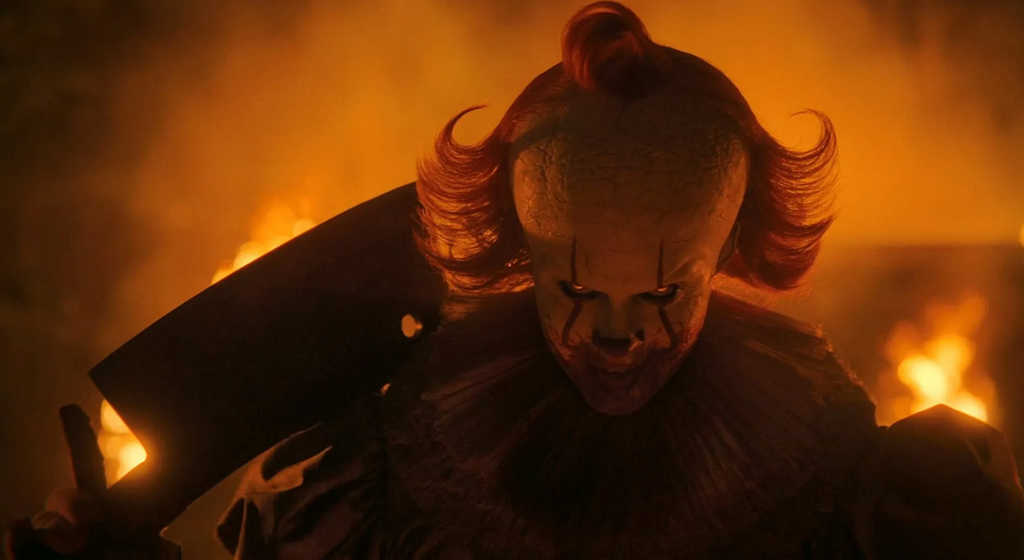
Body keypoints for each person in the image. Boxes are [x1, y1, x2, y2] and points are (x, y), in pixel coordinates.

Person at [9, 2, 1024, 558]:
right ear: (522, 257)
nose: (617, 336)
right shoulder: (393, 459)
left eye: (665, 291)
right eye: (574, 290)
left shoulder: (829, 469)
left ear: (723, 258)